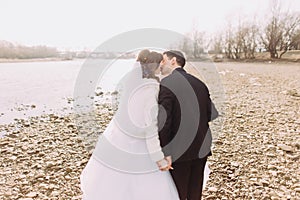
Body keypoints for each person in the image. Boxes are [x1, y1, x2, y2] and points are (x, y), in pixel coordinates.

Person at [80, 49, 180, 200]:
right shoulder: (150, 88)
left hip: (119, 139)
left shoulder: (131, 83)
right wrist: (159, 158)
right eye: (160, 64)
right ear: (157, 65)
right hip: (139, 144)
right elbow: (150, 126)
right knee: (144, 185)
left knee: (117, 183)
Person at [158, 50, 218, 200]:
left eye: (164, 60)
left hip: (179, 149)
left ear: (173, 61)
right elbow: (212, 114)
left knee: (178, 193)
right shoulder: (199, 83)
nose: (161, 64)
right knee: (195, 192)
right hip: (202, 145)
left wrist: (165, 152)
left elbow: (164, 123)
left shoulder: (166, 84)